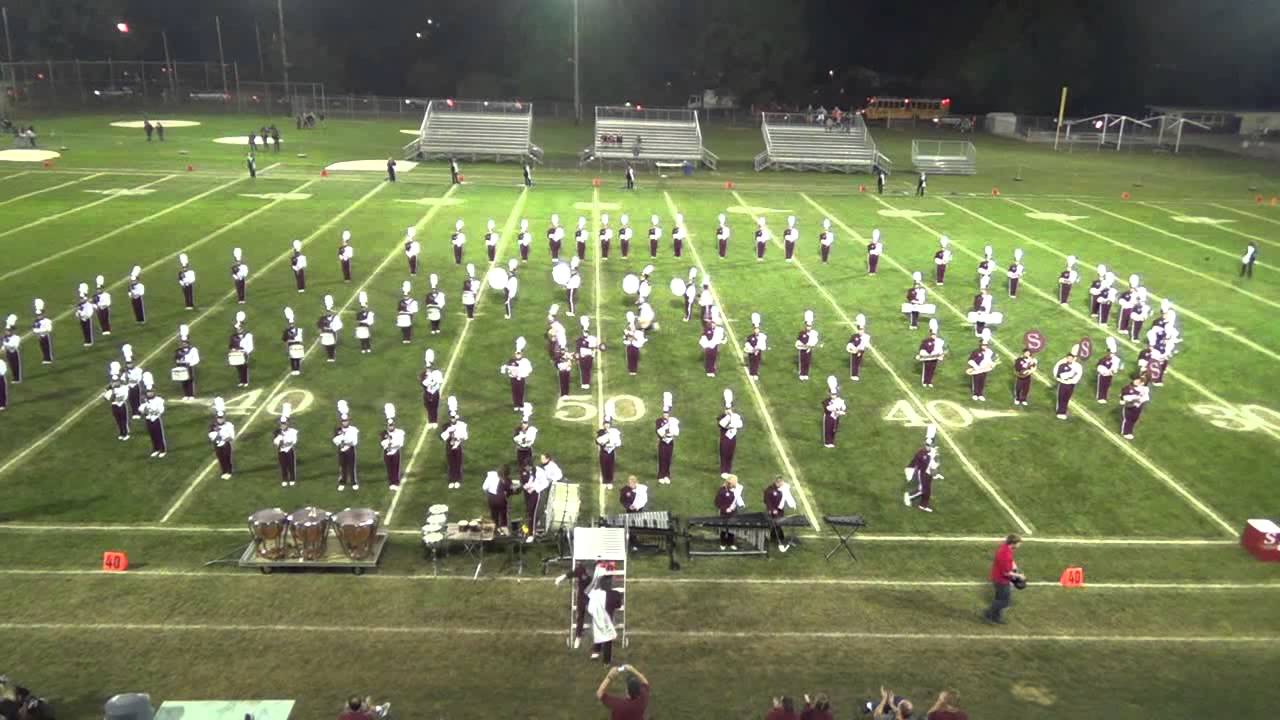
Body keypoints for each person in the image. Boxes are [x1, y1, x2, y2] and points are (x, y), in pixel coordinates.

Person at [984, 533, 1024, 623]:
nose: (1020, 545)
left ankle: (996, 617)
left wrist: (1015, 567)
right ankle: (987, 613)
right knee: (1005, 602)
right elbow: (1006, 573)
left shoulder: (1006, 548)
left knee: (999, 599)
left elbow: (1010, 561)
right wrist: (1019, 576)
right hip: (1001, 580)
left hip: (998, 577)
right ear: (1013, 543)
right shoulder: (1005, 555)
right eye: (1019, 543)